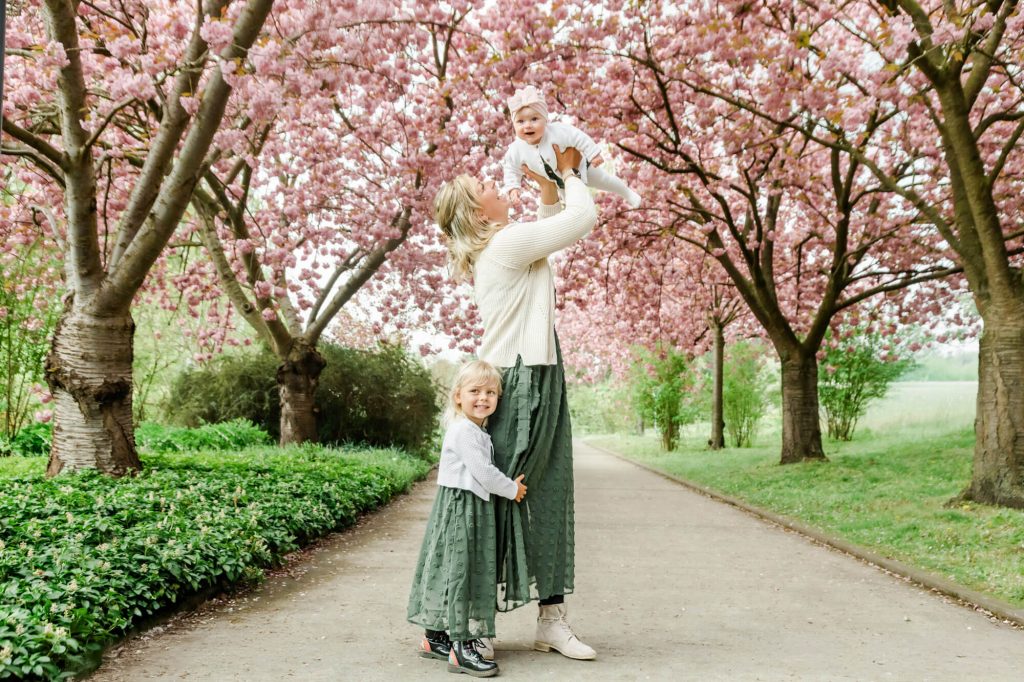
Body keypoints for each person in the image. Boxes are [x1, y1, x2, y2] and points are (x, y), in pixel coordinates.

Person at [433, 141, 599, 661]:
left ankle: (549, 620)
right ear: (476, 213)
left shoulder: (509, 245)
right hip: (519, 381)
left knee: (546, 496)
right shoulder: (504, 245)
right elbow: (582, 218)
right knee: (503, 501)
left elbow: (550, 231)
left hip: (539, 375)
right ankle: (462, 623)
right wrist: (572, 174)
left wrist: (548, 190)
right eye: (484, 189)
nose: (494, 185)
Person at [407, 360, 528, 678]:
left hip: (462, 506)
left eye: (491, 392)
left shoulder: (474, 430)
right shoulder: (464, 431)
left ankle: (435, 638)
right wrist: (511, 488)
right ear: (458, 396)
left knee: (452, 571)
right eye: (475, 391)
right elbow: (484, 473)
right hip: (464, 508)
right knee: (464, 574)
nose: (483, 398)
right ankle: (461, 647)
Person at [501, 85, 641, 209]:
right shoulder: (516, 149)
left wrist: (593, 154)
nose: (527, 125)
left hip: (582, 167)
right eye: (520, 121)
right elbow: (511, 168)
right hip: (560, 183)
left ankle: (627, 193)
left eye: (534, 119)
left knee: (605, 180)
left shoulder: (557, 131)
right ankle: (585, 225)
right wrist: (513, 188)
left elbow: (578, 137)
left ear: (545, 120)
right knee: (573, 205)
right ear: (514, 125)